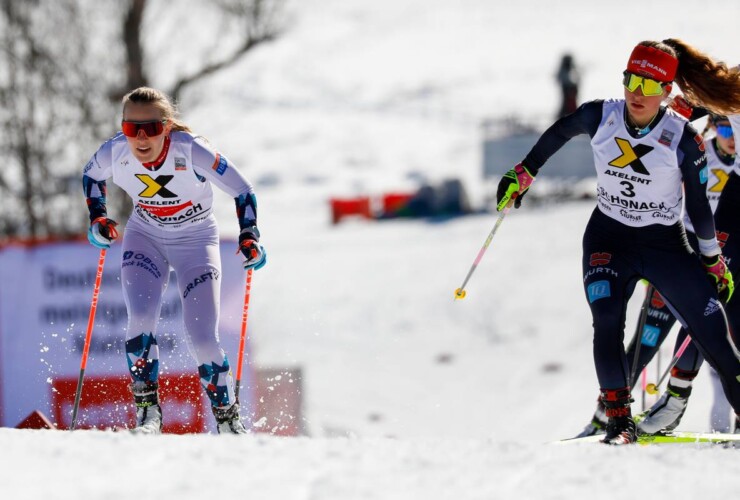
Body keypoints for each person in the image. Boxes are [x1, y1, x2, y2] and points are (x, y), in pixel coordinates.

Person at [495, 39, 740, 445]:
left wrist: (713, 262)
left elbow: (699, 211)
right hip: (609, 238)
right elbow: (559, 132)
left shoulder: (682, 139)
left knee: (713, 331)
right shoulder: (601, 114)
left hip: (664, 245)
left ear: (666, 92)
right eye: (632, 82)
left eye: (649, 87)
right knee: (607, 321)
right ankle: (617, 421)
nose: (636, 94)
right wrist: (524, 171)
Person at [82, 87, 266, 434]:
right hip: (145, 236)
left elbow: (243, 190)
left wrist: (249, 234)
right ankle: (148, 413)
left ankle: (227, 420)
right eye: (130, 128)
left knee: (202, 337)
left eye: (150, 128)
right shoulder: (114, 152)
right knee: (139, 319)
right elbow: (90, 176)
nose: (139, 138)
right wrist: (97, 217)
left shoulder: (191, 150)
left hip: (196, 241)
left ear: (166, 126)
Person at [575, 112, 737, 437]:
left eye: (733, 127)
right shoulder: (696, 149)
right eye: (722, 126)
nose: (729, 134)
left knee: (709, 330)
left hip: (725, 255)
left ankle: (679, 403)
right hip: (683, 251)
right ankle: (603, 416)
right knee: (646, 340)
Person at [556, 53, 580, 119]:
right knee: (566, 103)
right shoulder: (564, 71)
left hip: (570, 88)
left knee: (569, 103)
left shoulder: (571, 69)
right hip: (567, 88)